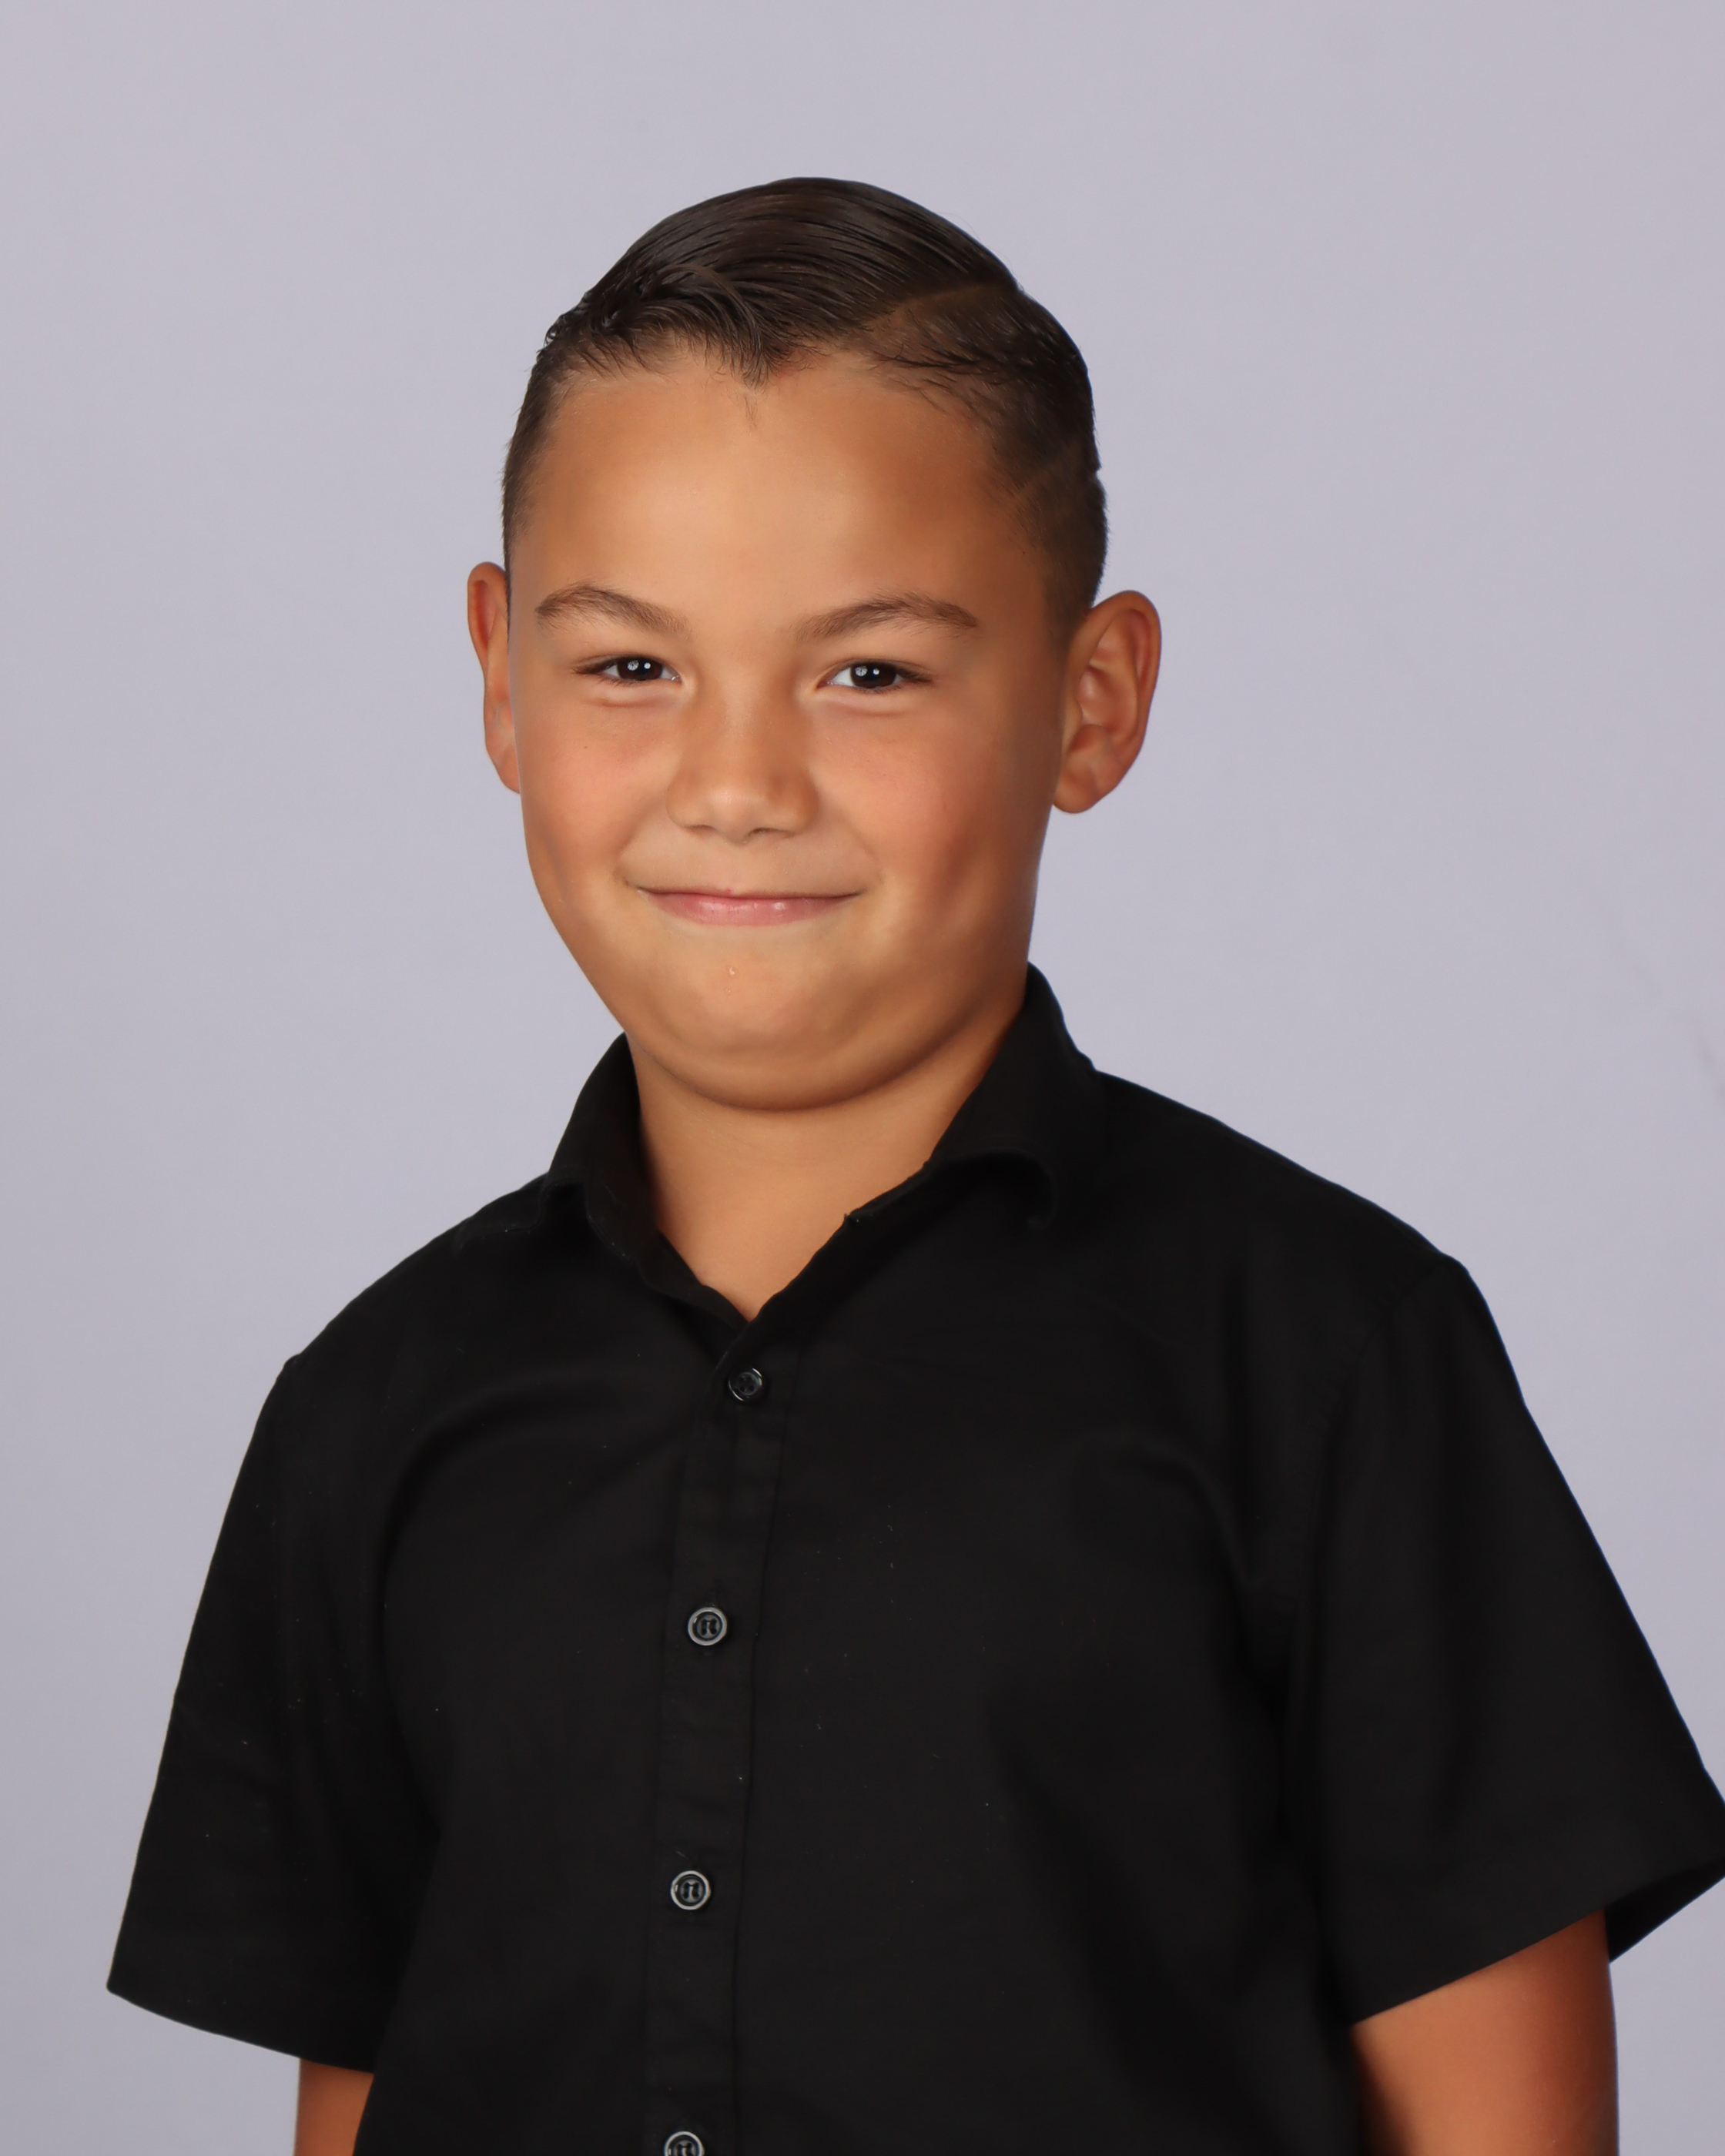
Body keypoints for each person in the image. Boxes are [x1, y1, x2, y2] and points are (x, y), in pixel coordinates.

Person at [109, 178, 1725, 2156]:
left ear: (1091, 701)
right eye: (629, 666)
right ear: (499, 676)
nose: (735, 783)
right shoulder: (372, 1407)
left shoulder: (1329, 1360)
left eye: (867, 672)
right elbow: (366, 2097)